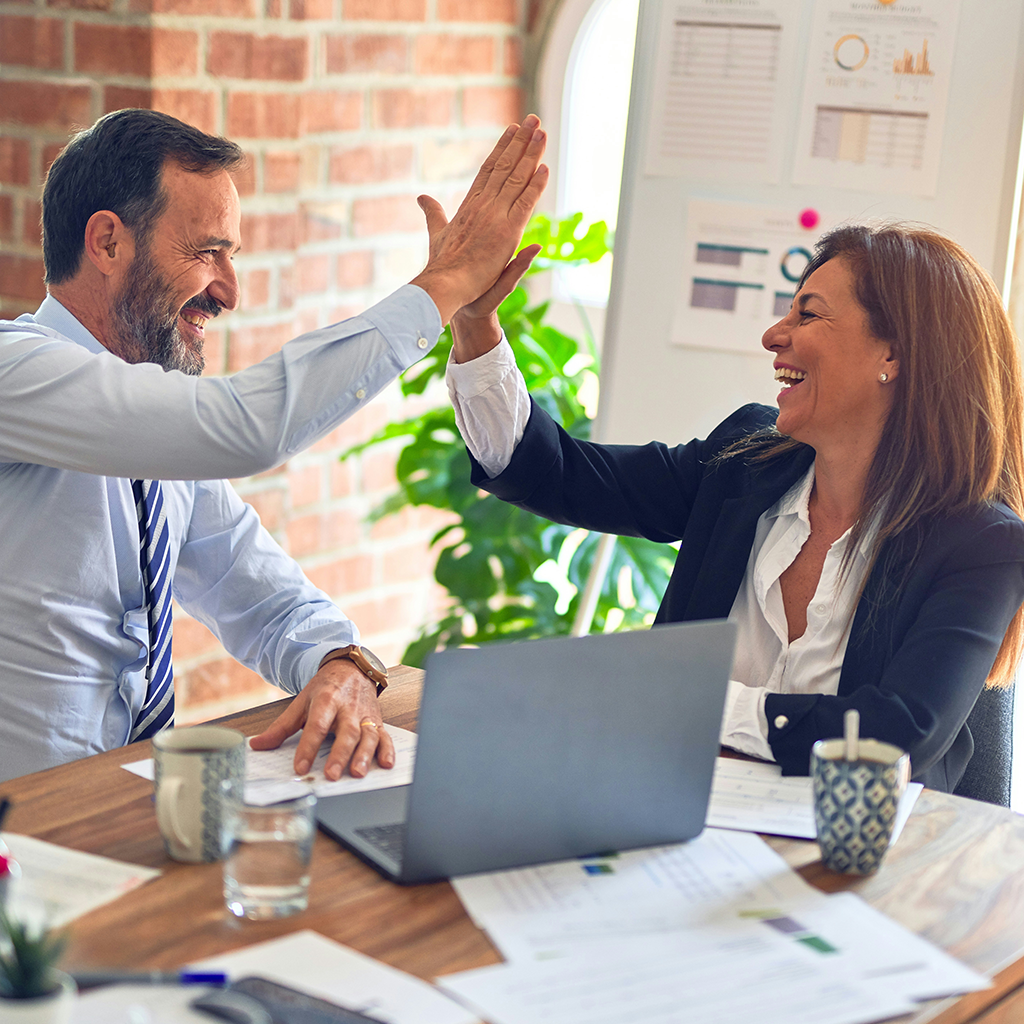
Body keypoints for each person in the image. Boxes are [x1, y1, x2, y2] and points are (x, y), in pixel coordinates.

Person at [0, 108, 548, 784]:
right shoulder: (14, 372)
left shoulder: (157, 432)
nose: (230, 290)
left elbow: (262, 596)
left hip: (123, 809)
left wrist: (339, 664)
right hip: (25, 828)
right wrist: (443, 287)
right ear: (108, 243)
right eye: (207, 252)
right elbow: (245, 427)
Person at [445, 222, 1024, 801]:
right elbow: (560, 474)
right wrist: (475, 325)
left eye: (808, 315)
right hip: (683, 820)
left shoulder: (981, 544)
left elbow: (896, 737)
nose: (775, 335)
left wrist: (697, 702)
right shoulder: (743, 461)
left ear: (892, 354)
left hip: (867, 863)